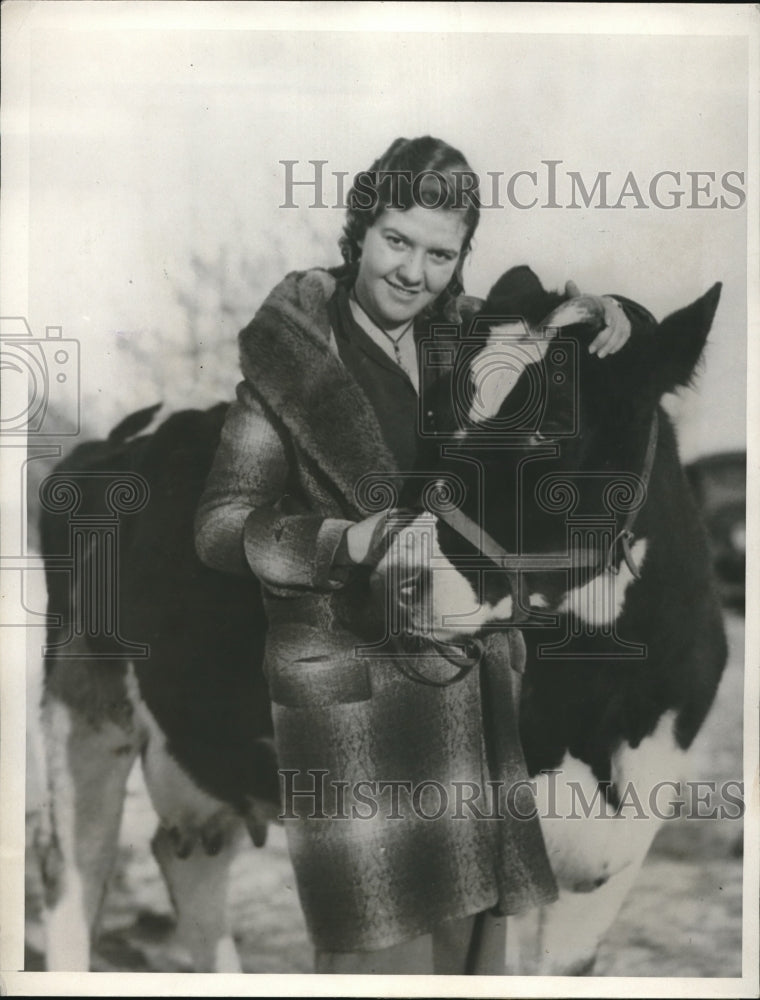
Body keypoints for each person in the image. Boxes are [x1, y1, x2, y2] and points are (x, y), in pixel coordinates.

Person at [194, 135, 633, 974]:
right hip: (355, 698)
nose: (412, 271)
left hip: (473, 683)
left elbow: (582, 324)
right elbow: (221, 525)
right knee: (379, 961)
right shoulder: (289, 367)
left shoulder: (477, 343)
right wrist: (342, 540)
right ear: (360, 232)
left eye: (441, 253)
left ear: (462, 259)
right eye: (397, 241)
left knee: (474, 955)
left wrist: (612, 313)